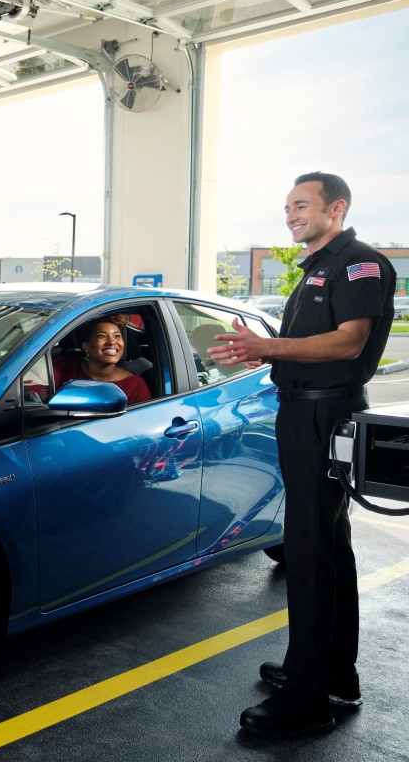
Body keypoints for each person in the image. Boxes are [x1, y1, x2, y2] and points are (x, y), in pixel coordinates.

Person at [209, 172, 394, 739]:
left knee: (311, 554)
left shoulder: (358, 262)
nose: (290, 214)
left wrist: (270, 346)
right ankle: (329, 672)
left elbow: (349, 341)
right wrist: (261, 351)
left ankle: (310, 699)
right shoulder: (315, 267)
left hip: (324, 414)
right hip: (305, 411)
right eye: (287, 206)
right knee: (327, 547)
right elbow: (306, 347)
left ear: (335, 208)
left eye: (302, 205)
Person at [52, 314, 151, 405]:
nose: (112, 342)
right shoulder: (64, 366)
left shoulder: (135, 386)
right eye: (102, 336)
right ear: (86, 346)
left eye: (117, 336)